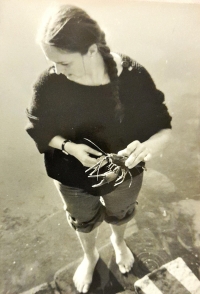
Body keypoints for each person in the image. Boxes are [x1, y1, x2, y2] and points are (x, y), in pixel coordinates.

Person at [26, 4, 172, 293]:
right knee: (83, 219)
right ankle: (90, 255)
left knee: (122, 211)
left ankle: (118, 243)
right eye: (51, 61)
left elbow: (163, 126)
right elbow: (38, 128)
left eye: (64, 62)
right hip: (70, 175)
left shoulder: (132, 75)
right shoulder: (49, 83)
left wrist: (147, 147)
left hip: (125, 173)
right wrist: (70, 147)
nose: (56, 70)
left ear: (91, 50)